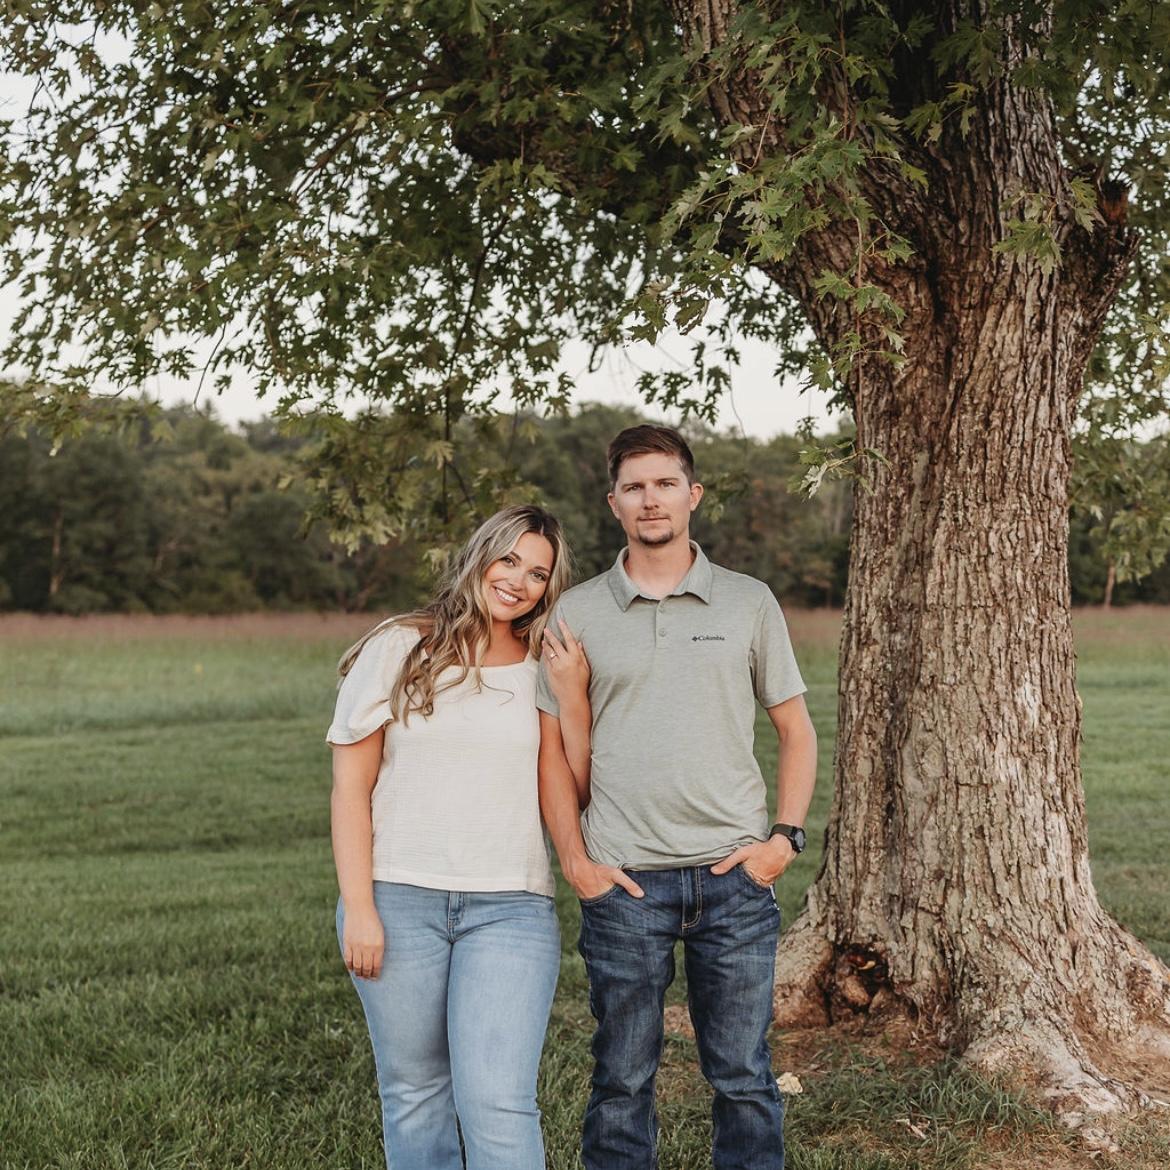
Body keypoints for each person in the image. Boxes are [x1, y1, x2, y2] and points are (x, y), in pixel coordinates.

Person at [537, 425, 817, 1170]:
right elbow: (553, 757)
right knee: (622, 1079)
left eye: (664, 484)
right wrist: (575, 861)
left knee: (744, 1075)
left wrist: (783, 840)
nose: (650, 499)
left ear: (693, 495)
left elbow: (796, 729)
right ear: (614, 504)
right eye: (634, 487)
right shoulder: (575, 612)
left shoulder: (748, 602)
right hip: (624, 883)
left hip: (735, 880)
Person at [327, 504, 575, 1170]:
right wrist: (360, 907)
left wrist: (574, 694)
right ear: (480, 557)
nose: (518, 581)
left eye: (537, 573)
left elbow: (571, 784)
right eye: (509, 560)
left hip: (511, 908)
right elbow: (350, 791)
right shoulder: (398, 646)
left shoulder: (544, 665)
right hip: (397, 899)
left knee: (498, 1103)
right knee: (415, 1093)